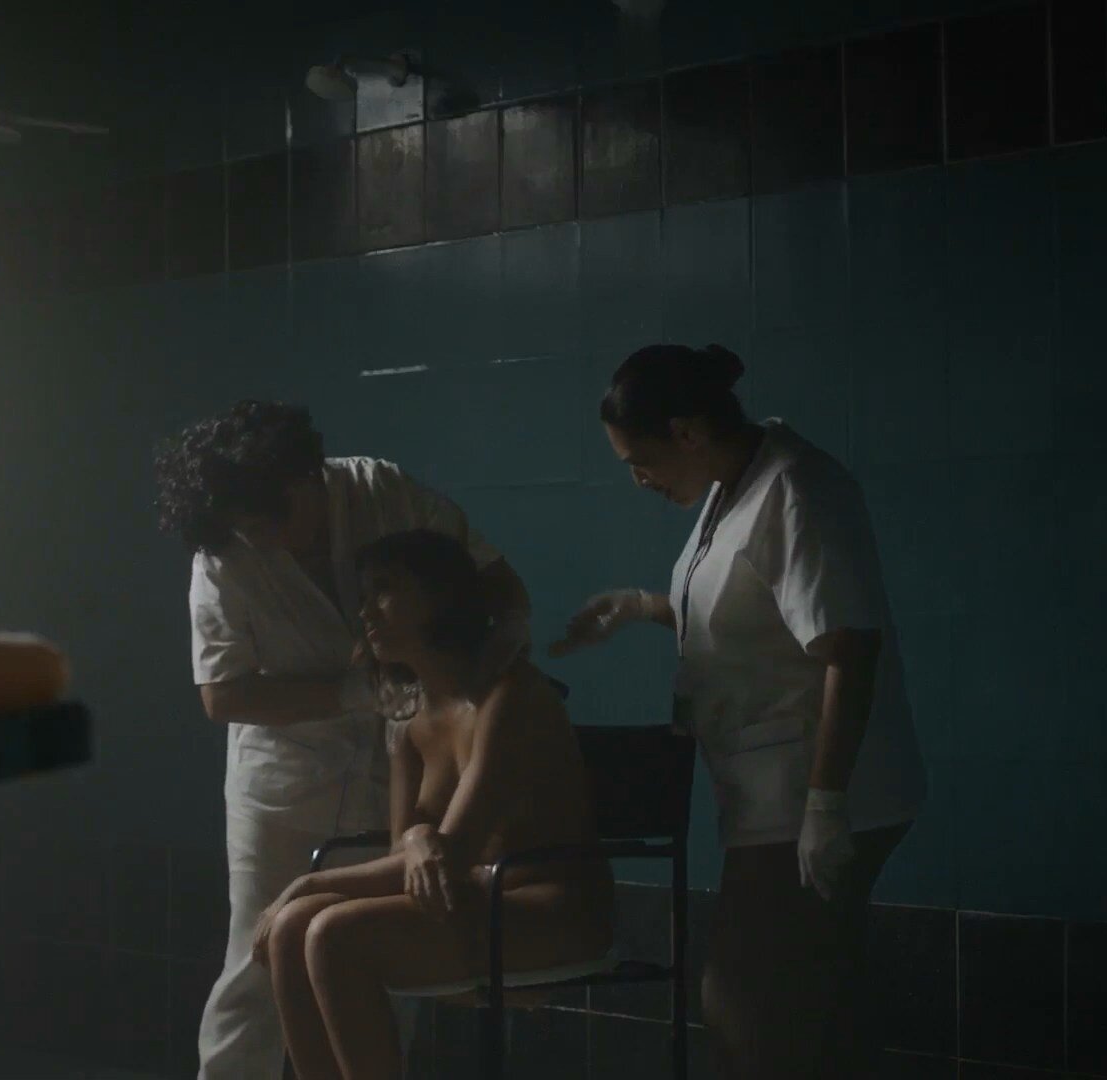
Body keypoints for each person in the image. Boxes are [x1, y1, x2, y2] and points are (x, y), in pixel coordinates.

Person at [550, 344, 926, 1079]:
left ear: (688, 433)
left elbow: (848, 649)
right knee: (810, 1004)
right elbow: (755, 614)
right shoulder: (733, 484)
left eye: (641, 461)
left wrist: (825, 805)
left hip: (813, 790)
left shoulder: (794, 488)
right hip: (772, 791)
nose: (639, 479)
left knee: (741, 1001)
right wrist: (646, 607)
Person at [153, 401, 531, 1080]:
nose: (268, 542)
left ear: (307, 477)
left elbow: (499, 589)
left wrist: (472, 693)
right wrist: (355, 693)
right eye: (248, 531)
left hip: (399, 763)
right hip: (285, 783)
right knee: (256, 964)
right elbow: (222, 695)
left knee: (374, 966)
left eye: (274, 521)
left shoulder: (383, 492)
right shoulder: (224, 553)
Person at [252, 529, 614, 1080]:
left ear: (442, 595)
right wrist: (415, 839)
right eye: (363, 596)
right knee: (290, 928)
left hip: (551, 909)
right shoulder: (410, 717)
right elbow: (407, 858)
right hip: (468, 902)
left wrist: (308, 882)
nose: (367, 611)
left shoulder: (511, 696)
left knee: (330, 931)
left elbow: (456, 850)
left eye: (385, 589)